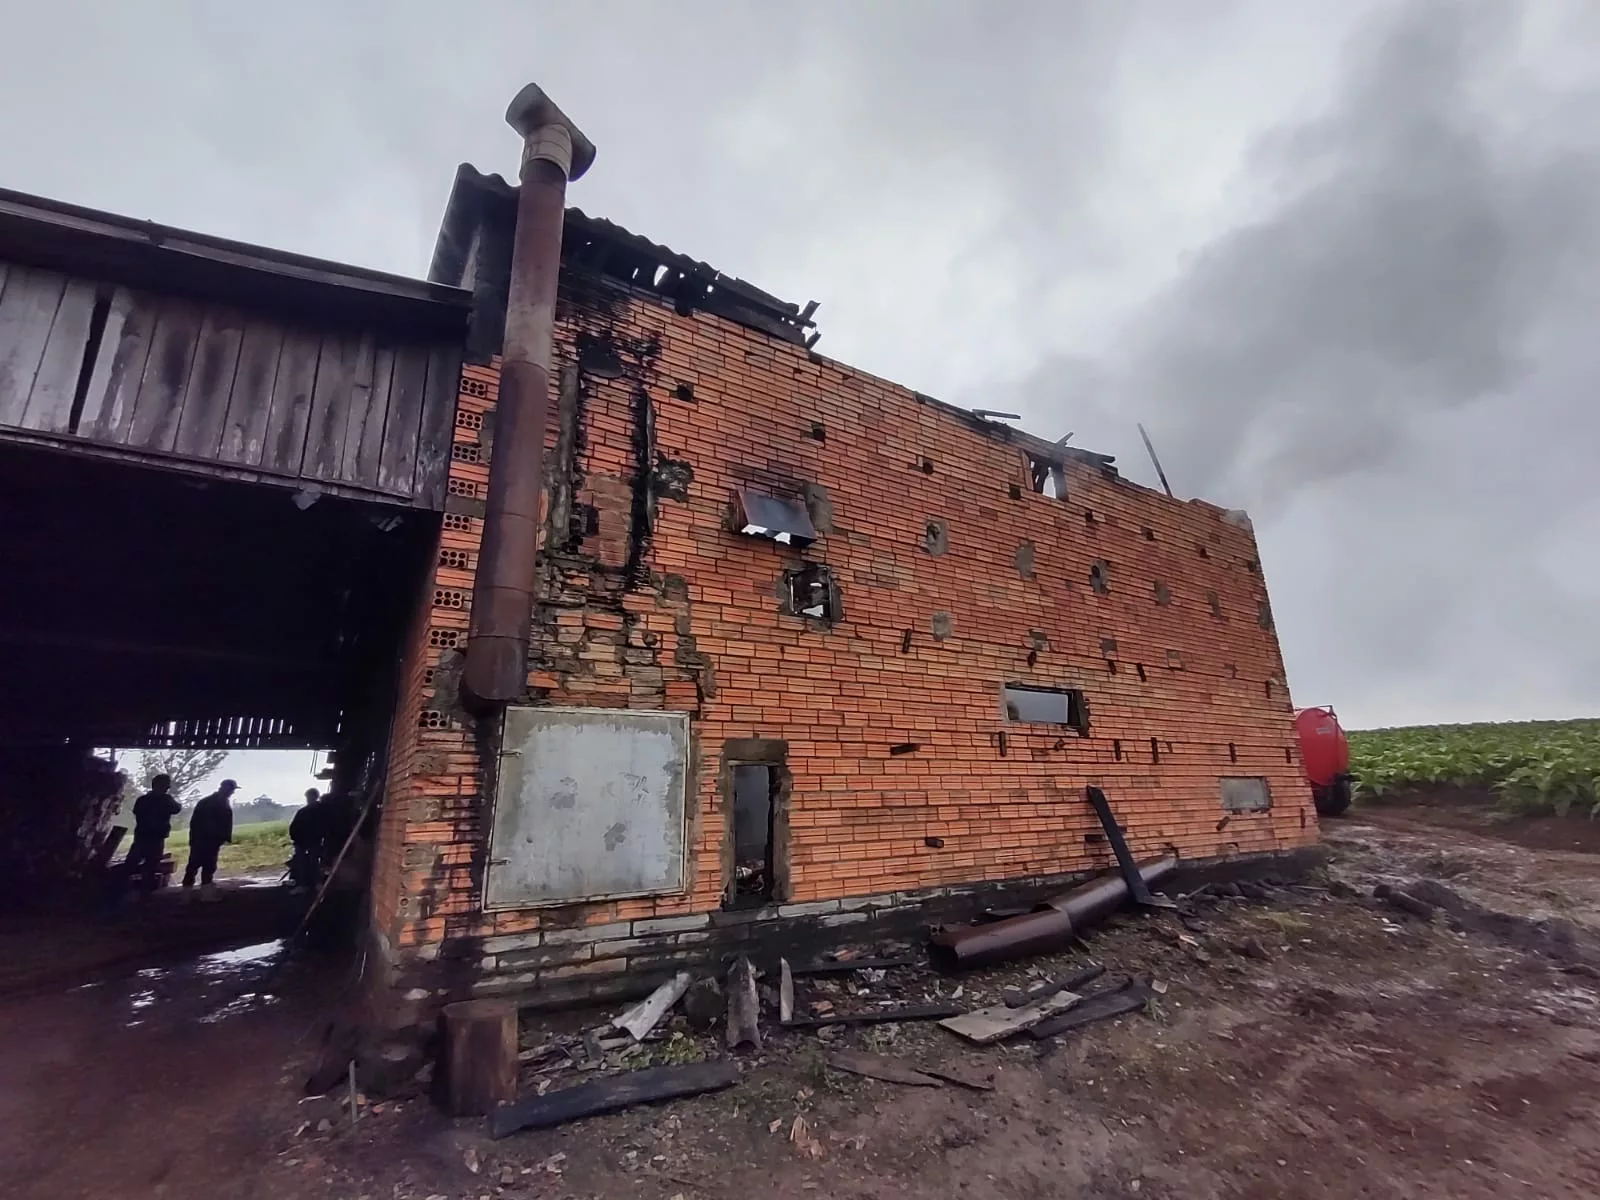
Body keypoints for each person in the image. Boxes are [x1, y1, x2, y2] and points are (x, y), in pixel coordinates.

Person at [124, 773, 181, 889]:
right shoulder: (166, 800)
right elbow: (177, 808)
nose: (167, 788)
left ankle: (123, 890)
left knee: (131, 864)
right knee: (150, 866)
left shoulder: (142, 800)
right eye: (166, 785)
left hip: (142, 836)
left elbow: (137, 813)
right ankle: (145, 894)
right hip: (156, 838)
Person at [183, 778, 237, 896]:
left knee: (193, 866)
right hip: (210, 840)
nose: (232, 792)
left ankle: (186, 896)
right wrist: (222, 836)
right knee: (208, 866)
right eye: (231, 790)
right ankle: (206, 894)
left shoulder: (206, 801)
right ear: (225, 788)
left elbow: (194, 823)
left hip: (200, 840)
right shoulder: (220, 803)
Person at [287, 787, 323, 889]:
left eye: (309, 797)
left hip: (312, 841)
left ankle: (310, 883)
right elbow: (294, 828)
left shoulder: (318, 811)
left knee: (312, 863)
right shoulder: (304, 812)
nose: (308, 799)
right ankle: (304, 884)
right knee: (303, 863)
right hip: (303, 841)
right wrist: (296, 840)